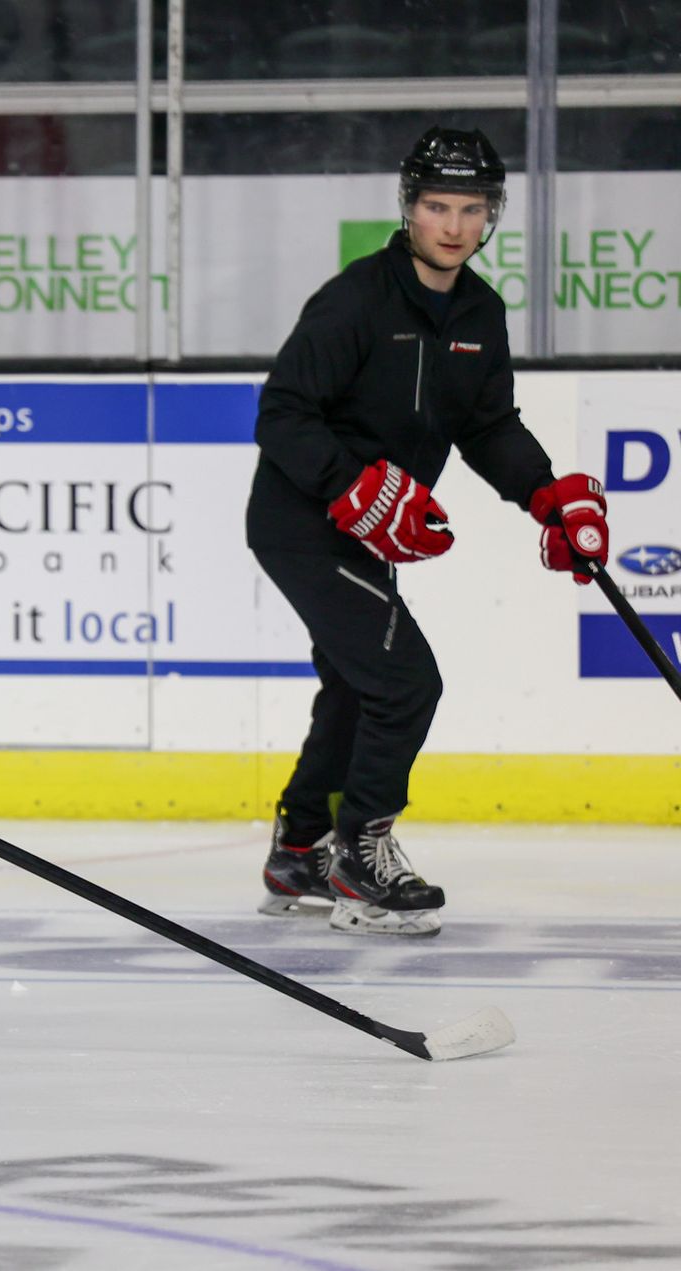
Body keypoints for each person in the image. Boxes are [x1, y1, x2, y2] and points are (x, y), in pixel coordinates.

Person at [248, 127, 610, 937]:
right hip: (301, 522)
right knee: (405, 681)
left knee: (357, 681)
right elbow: (282, 414)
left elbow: (487, 427)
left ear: (491, 216)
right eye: (436, 205)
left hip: (369, 533)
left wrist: (547, 494)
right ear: (408, 208)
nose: (452, 224)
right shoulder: (355, 300)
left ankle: (299, 844)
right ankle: (359, 859)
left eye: (470, 208)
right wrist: (351, 486)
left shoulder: (478, 310)